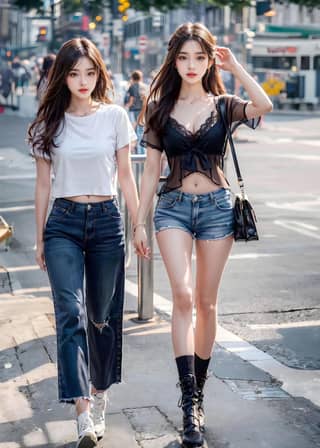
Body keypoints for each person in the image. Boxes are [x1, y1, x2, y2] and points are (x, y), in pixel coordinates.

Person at [134, 22, 272, 448]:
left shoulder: (224, 104)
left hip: (216, 211)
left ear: (209, 59)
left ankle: (200, 393)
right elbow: (150, 170)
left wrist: (237, 66)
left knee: (208, 303)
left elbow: (263, 104)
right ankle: (188, 399)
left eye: (199, 56)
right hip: (172, 209)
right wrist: (140, 219)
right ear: (173, 60)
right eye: (183, 57)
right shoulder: (158, 108)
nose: (191, 65)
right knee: (183, 297)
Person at [28, 38, 138, 448]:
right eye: (74, 73)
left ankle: (102, 392)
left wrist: (139, 223)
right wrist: (39, 236)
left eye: (90, 72)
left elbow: (125, 175)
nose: (83, 81)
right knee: (69, 313)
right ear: (63, 76)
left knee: (101, 315)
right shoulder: (47, 124)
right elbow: (43, 187)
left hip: (108, 222)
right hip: (63, 225)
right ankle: (82, 412)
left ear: (99, 74)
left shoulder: (114, 116)